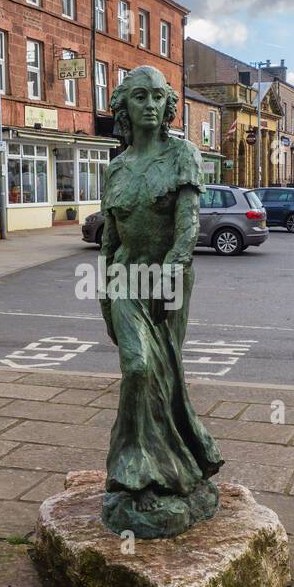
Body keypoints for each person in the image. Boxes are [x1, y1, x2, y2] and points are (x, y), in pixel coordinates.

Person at [97, 66, 223, 538]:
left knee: (163, 375)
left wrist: (169, 276)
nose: (149, 105)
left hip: (169, 276)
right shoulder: (116, 166)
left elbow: (188, 226)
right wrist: (105, 297)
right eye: (139, 97)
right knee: (136, 367)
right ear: (124, 107)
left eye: (157, 97)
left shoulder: (183, 155)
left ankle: (173, 469)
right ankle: (132, 471)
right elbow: (110, 237)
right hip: (124, 277)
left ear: (168, 106)